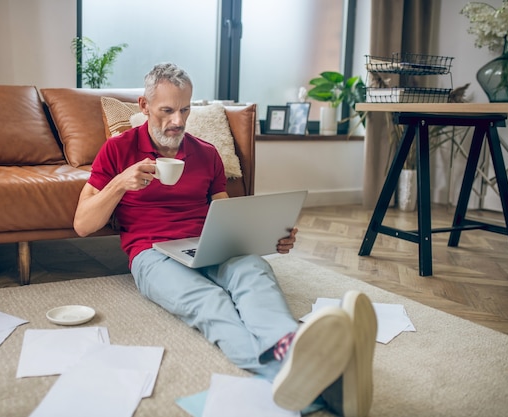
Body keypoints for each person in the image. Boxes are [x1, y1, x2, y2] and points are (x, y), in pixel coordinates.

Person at [73, 62, 377, 416]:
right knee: (209, 302)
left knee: (254, 272)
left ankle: (289, 344)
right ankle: (312, 380)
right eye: (167, 111)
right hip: (150, 253)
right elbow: (82, 224)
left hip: (207, 241)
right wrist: (120, 182)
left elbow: (226, 216)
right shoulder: (118, 151)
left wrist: (268, 235)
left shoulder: (206, 153)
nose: (177, 121)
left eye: (184, 109)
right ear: (144, 107)